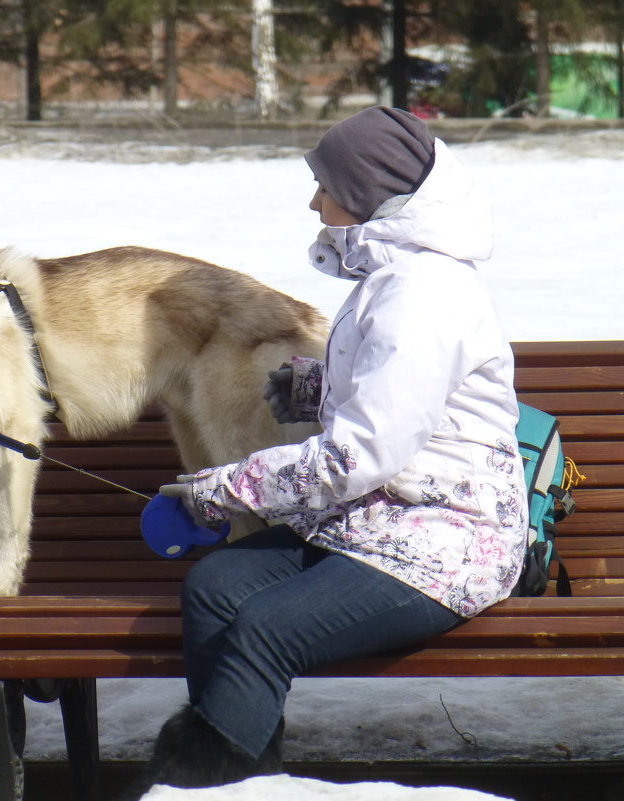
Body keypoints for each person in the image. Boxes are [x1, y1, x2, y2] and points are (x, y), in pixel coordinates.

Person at [119, 106, 527, 798]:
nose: (314, 200)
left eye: (324, 184)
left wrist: (222, 489)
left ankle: (209, 782)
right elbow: (397, 402)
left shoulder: (422, 297)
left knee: (264, 630)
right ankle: (247, 778)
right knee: (214, 591)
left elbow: (358, 456)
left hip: (446, 539)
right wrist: (310, 387)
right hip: (382, 520)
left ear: (368, 193)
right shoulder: (392, 280)